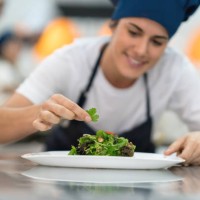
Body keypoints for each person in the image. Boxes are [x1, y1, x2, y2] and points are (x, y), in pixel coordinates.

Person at [0, 0, 200, 165]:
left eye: (157, 42)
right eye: (133, 32)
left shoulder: (175, 70)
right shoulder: (70, 60)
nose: (141, 50)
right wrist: (37, 114)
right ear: (113, 25)